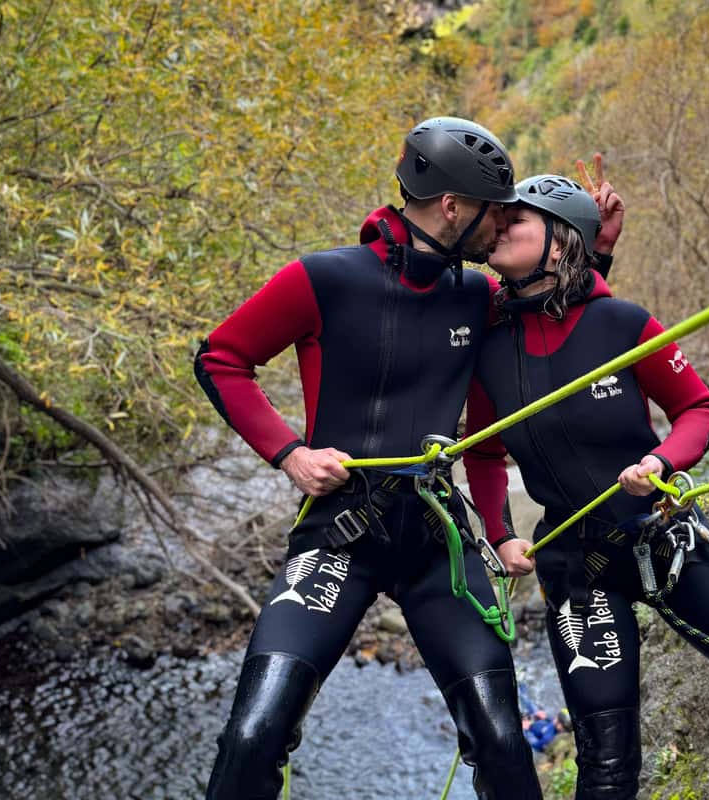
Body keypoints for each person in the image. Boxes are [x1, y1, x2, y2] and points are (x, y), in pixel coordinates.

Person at [194, 116, 545, 800]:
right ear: (452, 206)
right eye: (493, 211)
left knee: (501, 737)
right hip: (339, 536)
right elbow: (221, 357)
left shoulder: (477, 296)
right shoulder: (323, 280)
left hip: (435, 539)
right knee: (252, 735)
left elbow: (557, 316)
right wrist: (289, 453)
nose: (500, 226)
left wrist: (600, 245)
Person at [464, 173, 709, 799]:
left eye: (516, 221)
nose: (497, 229)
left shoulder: (622, 324)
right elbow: (482, 451)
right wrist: (501, 535)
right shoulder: (490, 345)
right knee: (608, 767)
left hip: (663, 537)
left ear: (559, 244)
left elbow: (701, 409)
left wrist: (662, 463)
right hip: (578, 562)